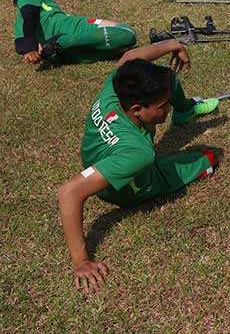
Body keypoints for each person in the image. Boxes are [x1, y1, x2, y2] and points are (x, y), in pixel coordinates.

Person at [57, 40, 220, 292]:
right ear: (136, 110)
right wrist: (81, 261)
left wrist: (173, 45)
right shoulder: (139, 154)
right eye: (162, 107)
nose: (166, 109)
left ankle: (185, 110)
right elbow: (69, 192)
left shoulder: (116, 88)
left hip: (98, 161)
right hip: (126, 188)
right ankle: (188, 165)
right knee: (207, 158)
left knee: (170, 80)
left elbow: (131, 56)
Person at [13, 0, 137, 64]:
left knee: (124, 48)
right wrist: (31, 46)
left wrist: (30, 48)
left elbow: (19, 45)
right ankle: (57, 44)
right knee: (128, 34)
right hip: (72, 30)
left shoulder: (21, 21)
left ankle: (55, 46)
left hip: (67, 55)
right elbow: (29, 13)